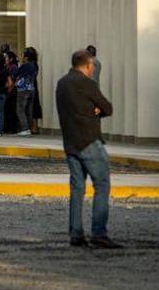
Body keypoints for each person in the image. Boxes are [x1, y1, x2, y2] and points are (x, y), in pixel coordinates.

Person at [56, 48, 119, 248]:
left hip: (70, 142)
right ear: (87, 65)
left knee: (77, 188)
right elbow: (107, 107)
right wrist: (96, 111)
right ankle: (99, 232)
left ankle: (76, 232)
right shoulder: (87, 83)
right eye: (92, 65)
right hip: (89, 140)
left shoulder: (62, 83)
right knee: (102, 184)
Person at [14, 47, 39, 137]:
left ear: (26, 57)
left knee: (20, 109)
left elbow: (16, 73)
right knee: (29, 110)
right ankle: (28, 128)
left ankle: (25, 129)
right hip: (32, 88)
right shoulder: (35, 65)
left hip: (23, 89)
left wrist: (20, 63)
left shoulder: (25, 65)